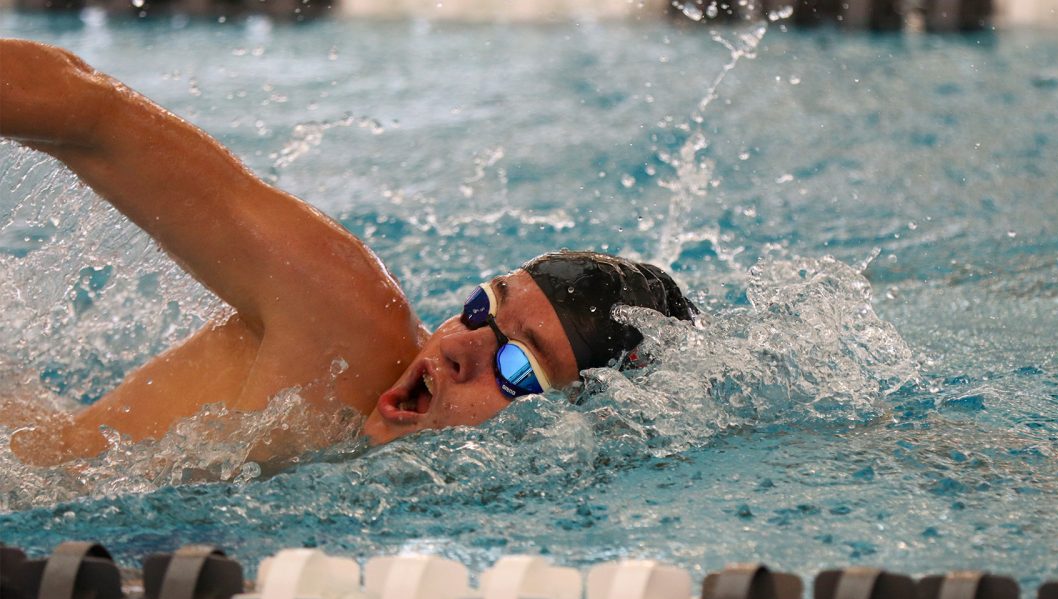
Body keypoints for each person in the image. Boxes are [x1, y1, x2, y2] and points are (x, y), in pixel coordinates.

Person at [0, 39, 696, 469]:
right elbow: (85, 108)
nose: (460, 349)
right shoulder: (346, 324)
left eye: (518, 365)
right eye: (483, 309)